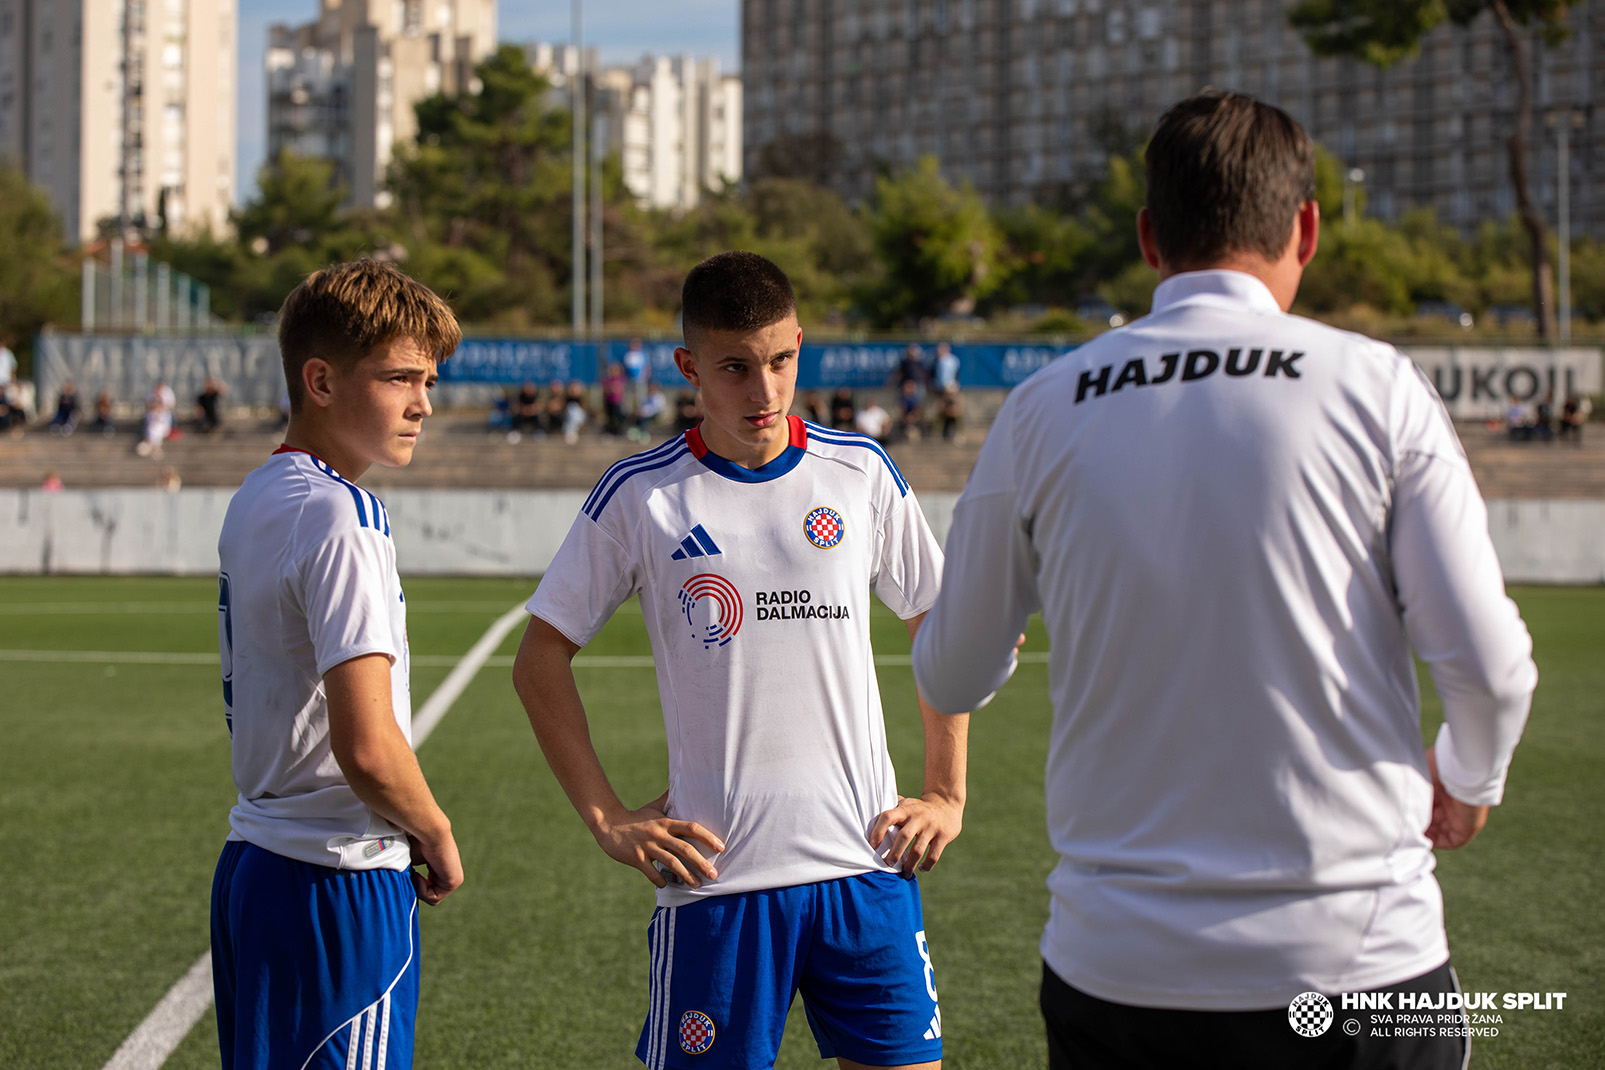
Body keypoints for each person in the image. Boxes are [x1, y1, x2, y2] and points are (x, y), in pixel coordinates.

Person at [911, 92, 1537, 1070]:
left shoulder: (1039, 410)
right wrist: (1467, 779)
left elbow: (950, 673)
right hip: (1360, 965)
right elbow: (1493, 668)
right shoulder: (1376, 386)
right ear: (1308, 229)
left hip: (1120, 969)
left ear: (1149, 237)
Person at [513, 250, 967, 1070]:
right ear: (689, 367)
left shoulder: (858, 471)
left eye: (780, 361)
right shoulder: (641, 494)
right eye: (733, 368)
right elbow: (538, 659)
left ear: (799, 344)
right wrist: (607, 817)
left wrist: (945, 792)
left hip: (866, 869)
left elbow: (938, 622)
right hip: (718, 882)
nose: (762, 391)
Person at [211, 259, 465, 1070]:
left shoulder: (259, 493)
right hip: (338, 880)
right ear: (319, 380)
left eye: (428, 380)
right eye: (399, 378)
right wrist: (436, 830)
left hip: (256, 866)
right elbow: (366, 745)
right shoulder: (344, 515)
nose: (423, 403)